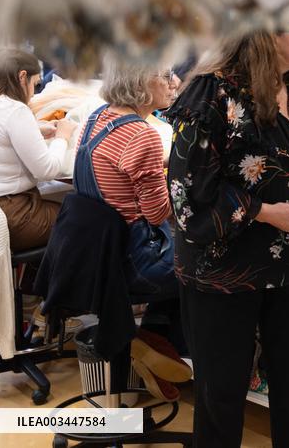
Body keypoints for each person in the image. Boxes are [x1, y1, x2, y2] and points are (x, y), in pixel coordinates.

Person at [166, 0, 289, 447]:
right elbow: (188, 198)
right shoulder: (213, 97)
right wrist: (265, 212)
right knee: (221, 398)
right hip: (224, 272)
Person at [73, 56, 188, 397]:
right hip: (136, 263)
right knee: (207, 266)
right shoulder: (144, 134)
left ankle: (147, 340)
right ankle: (174, 353)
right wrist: (180, 183)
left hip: (97, 257)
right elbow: (156, 215)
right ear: (140, 81)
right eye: (166, 75)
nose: (175, 82)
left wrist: (157, 170)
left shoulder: (97, 118)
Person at [0, 49, 77, 250]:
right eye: (36, 84)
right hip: (12, 215)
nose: (34, 93)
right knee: (86, 220)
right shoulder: (15, 110)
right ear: (22, 76)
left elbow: (0, 136)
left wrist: (35, 129)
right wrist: (63, 137)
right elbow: (47, 170)